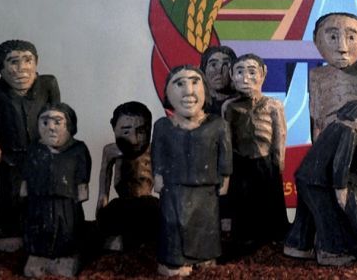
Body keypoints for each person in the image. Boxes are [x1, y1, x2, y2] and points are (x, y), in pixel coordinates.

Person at [0, 40, 61, 252]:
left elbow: (56, 112)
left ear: (36, 63)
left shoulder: (48, 84)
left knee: (42, 192)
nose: (22, 68)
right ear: (0, 67)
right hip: (10, 154)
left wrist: (58, 140)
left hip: (41, 151)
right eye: (13, 62)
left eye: (27, 60)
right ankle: (9, 232)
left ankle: (42, 230)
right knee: (10, 193)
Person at [152, 65, 232, 276]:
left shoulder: (218, 125)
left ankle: (205, 257)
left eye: (195, 83)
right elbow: (157, 154)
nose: (188, 91)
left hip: (206, 188)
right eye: (179, 84)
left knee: (206, 224)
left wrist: (225, 179)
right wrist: (157, 177)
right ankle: (174, 261)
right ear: (167, 93)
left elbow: (225, 156)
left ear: (205, 89)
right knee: (173, 225)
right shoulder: (162, 126)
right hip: (173, 189)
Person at [284, 101, 357, 265]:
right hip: (318, 183)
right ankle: (330, 252)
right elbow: (340, 163)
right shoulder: (349, 133)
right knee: (328, 216)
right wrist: (341, 189)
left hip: (305, 177)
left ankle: (297, 245)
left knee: (306, 215)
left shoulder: (334, 126)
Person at [223, 54, 288, 248]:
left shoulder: (273, 105)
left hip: (266, 160)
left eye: (252, 72)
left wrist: (279, 161)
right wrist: (227, 166)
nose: (245, 78)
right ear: (231, 75)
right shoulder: (230, 107)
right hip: (240, 162)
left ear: (263, 73)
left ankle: (275, 234)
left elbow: (280, 134)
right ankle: (245, 236)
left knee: (270, 198)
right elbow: (226, 139)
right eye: (239, 72)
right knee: (242, 200)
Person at [21, 102, 91, 277]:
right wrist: (24, 188)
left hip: (66, 202)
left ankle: (66, 256)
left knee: (67, 230)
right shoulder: (34, 149)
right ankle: (39, 255)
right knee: (38, 228)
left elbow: (83, 172)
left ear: (70, 125)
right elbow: (26, 172)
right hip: (38, 201)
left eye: (57, 122)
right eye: (45, 122)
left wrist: (82, 190)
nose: (51, 127)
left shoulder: (78, 149)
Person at [96, 101, 158, 251]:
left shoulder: (153, 150)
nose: (134, 139)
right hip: (122, 203)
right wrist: (101, 204)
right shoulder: (111, 151)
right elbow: (104, 182)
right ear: (114, 128)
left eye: (141, 132)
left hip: (146, 204)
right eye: (126, 132)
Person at [309, 13, 357, 141]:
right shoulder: (316, 76)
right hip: (327, 142)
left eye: (351, 37)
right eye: (333, 37)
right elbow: (316, 121)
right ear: (316, 40)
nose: (342, 48)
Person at [200, 45, 237, 115]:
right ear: (204, 70)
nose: (219, 70)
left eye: (226, 64)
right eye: (213, 64)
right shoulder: (196, 105)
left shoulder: (243, 104)